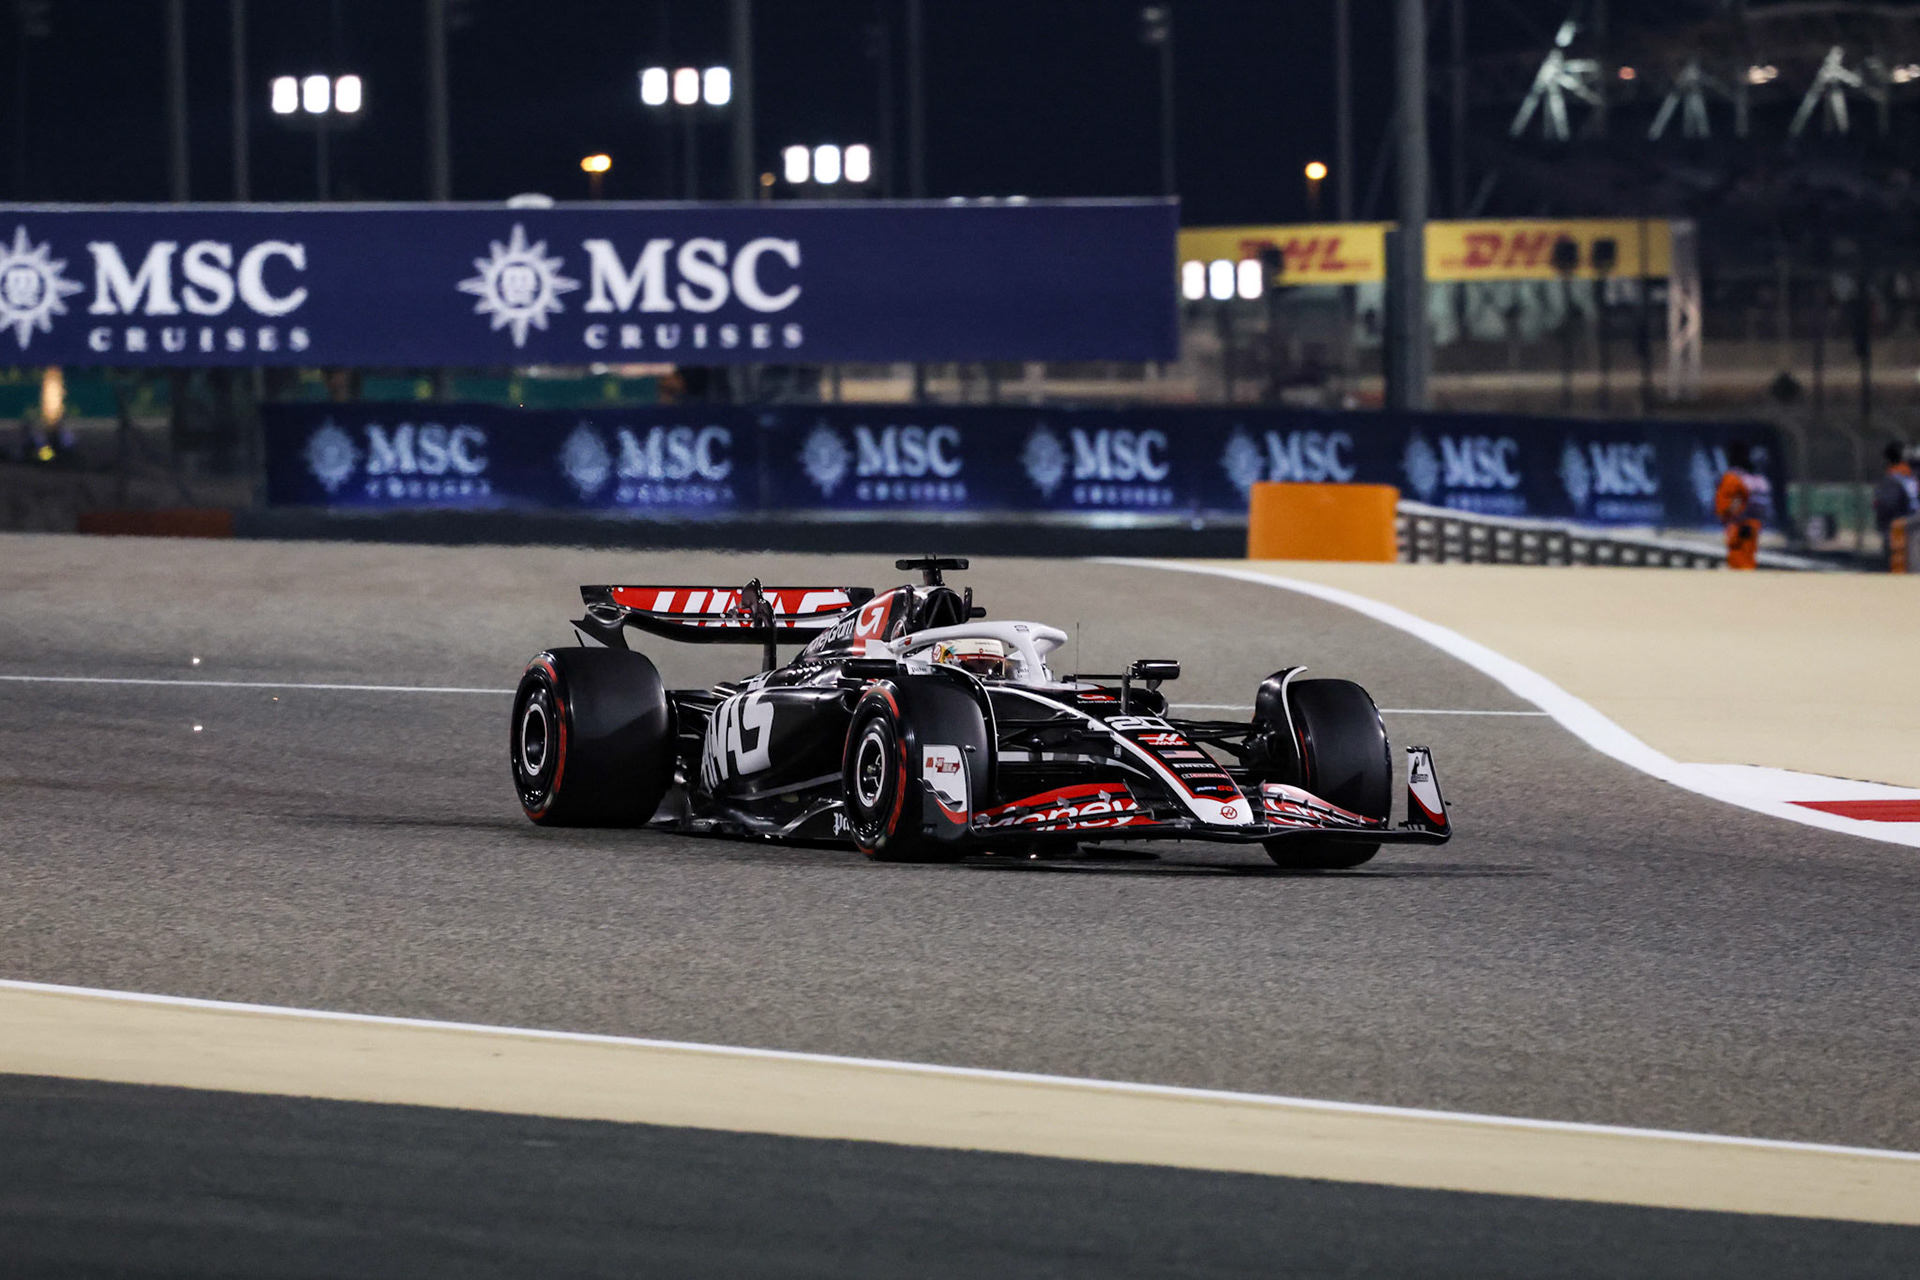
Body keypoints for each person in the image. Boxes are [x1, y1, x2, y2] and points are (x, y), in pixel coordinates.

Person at [1714, 442, 1773, 571]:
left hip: (1740, 524)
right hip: (1753, 522)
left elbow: (1733, 501)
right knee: (1747, 556)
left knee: (1739, 557)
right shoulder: (1760, 480)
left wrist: (1729, 516)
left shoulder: (1733, 478)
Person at [1871, 440, 1918, 572]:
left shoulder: (1893, 479)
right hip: (1913, 525)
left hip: (1900, 528)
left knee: (1898, 566)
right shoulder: (1911, 477)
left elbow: (1887, 504)